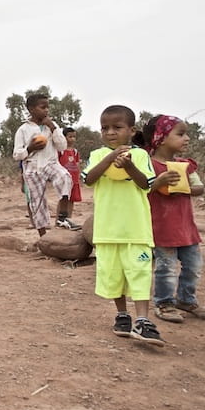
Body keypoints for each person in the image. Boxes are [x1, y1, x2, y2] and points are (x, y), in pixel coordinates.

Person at [82, 104, 163, 346]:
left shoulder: (140, 155)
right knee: (113, 276)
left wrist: (128, 165)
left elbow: (146, 184)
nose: (110, 133)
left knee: (139, 273)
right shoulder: (97, 155)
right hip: (107, 231)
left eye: (117, 127)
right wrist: (108, 158)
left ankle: (143, 321)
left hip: (136, 230)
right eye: (104, 128)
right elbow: (88, 179)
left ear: (131, 130)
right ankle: (122, 315)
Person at [139, 115, 205, 324]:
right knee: (166, 268)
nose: (187, 138)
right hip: (161, 227)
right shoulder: (149, 165)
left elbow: (199, 188)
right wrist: (159, 183)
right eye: (180, 134)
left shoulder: (185, 165)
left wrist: (183, 188)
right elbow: (142, 188)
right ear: (160, 138)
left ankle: (186, 300)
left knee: (194, 266)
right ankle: (164, 303)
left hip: (186, 227)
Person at [12, 94, 80, 235]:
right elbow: (16, 154)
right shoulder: (23, 129)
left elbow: (62, 146)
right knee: (37, 203)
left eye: (48, 107)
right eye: (43, 107)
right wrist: (30, 148)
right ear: (31, 109)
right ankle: (43, 236)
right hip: (32, 167)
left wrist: (53, 127)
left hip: (50, 163)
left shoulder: (52, 126)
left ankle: (62, 217)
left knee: (65, 177)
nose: (46, 110)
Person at [57, 127, 83, 220]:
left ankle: (69, 219)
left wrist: (78, 177)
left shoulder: (75, 152)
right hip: (64, 179)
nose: (72, 139)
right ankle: (59, 220)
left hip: (74, 180)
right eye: (70, 137)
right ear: (64, 137)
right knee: (63, 199)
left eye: (74, 137)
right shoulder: (61, 151)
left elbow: (77, 164)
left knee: (72, 200)